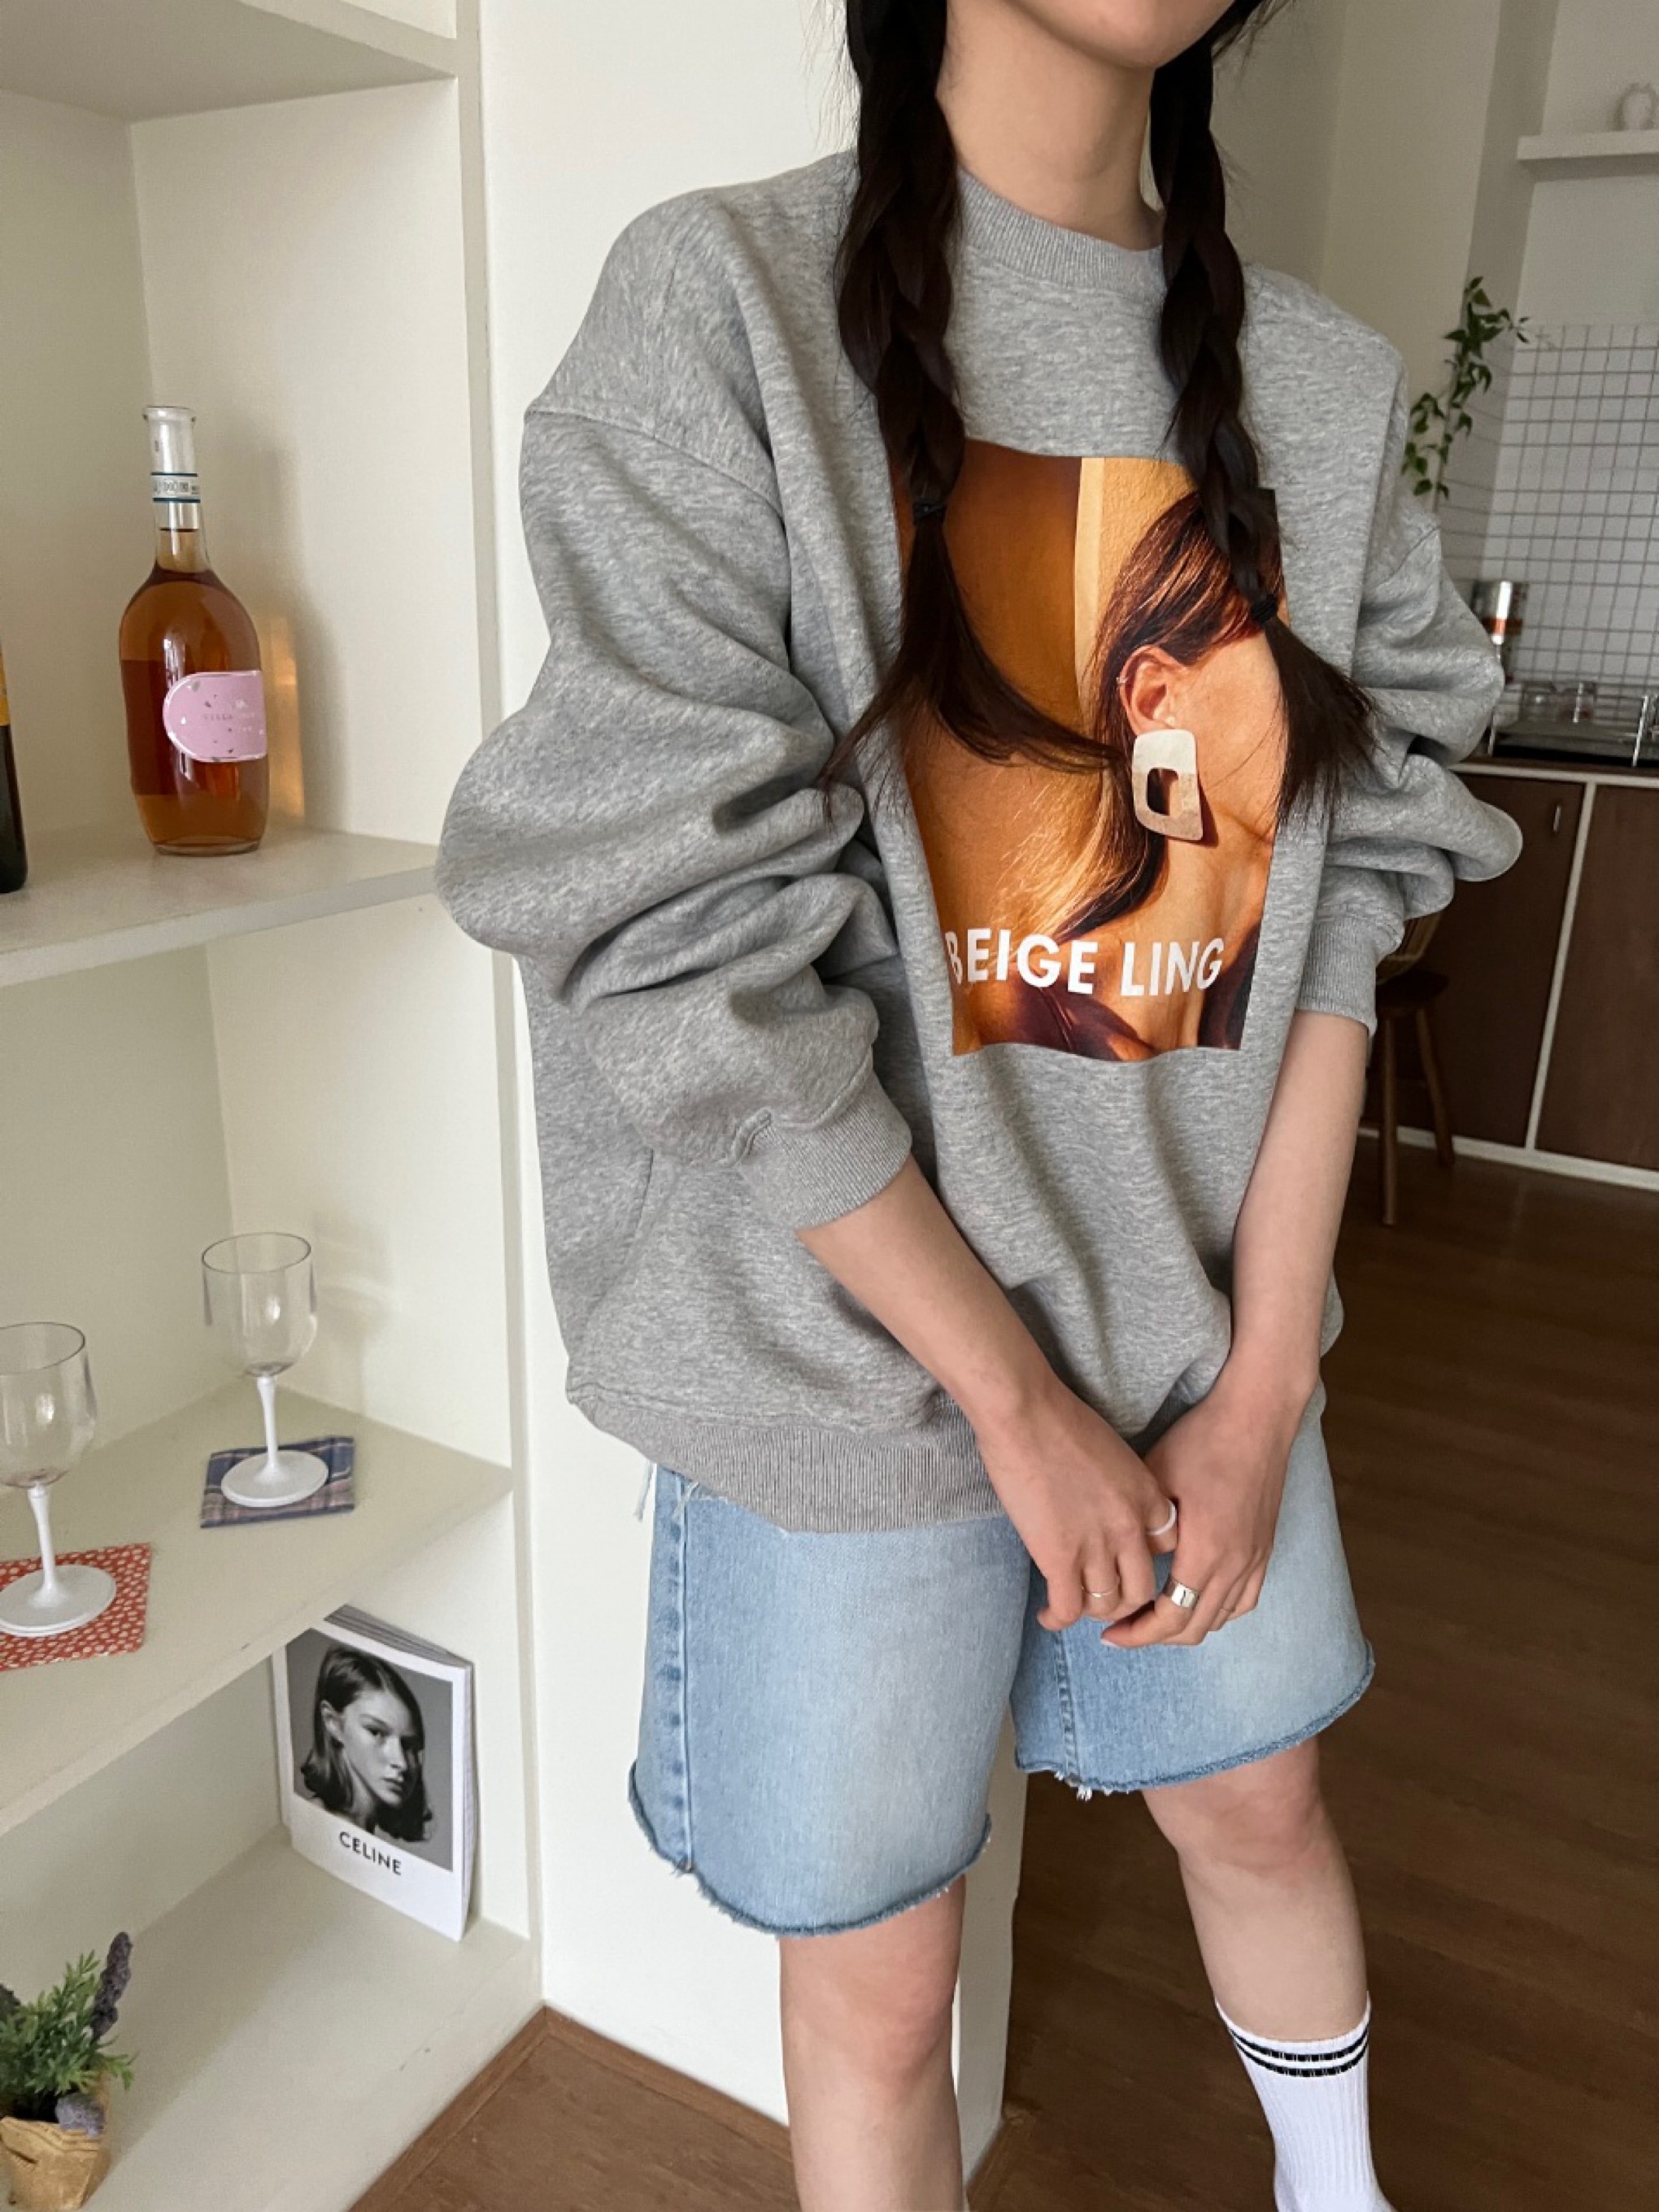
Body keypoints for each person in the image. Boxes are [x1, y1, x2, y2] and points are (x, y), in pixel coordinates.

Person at [436, 4, 1521, 2206]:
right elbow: (675, 933)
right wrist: (1009, 1405)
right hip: (847, 1367)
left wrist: (1268, 1379)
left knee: (1260, 1799)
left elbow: (1342, 901)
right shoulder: (723, 305)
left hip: (1196, 1341)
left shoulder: (1317, 388)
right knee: (881, 1984)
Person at [301, 1646, 433, 1847]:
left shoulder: (367, 1838)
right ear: (333, 1723)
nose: (401, 1763)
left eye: (409, 1745)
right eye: (376, 1732)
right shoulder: (312, 1824)